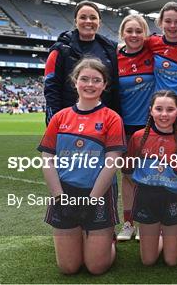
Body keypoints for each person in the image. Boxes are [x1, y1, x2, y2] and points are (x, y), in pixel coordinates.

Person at [38, 57, 126, 275]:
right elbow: (47, 159)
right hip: (65, 193)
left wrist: (93, 199)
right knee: (68, 267)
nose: (90, 84)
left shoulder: (112, 118)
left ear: (104, 85)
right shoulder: (59, 118)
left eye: (96, 80)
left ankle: (108, 242)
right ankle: (85, 238)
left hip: (98, 193)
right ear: (75, 81)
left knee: (96, 267)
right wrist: (59, 197)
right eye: (84, 79)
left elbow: (112, 161)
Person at [126, 90, 177, 266]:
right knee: (148, 261)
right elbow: (128, 171)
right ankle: (159, 235)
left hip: (174, 199)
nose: (164, 114)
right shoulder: (138, 137)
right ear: (151, 110)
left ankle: (176, 240)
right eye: (159, 109)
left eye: (170, 109)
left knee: (171, 261)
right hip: (147, 200)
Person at [44, 1, 120, 125]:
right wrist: (55, 122)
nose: (88, 21)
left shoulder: (110, 49)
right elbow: (51, 89)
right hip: (70, 121)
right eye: (83, 17)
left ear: (99, 23)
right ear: (76, 21)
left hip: (103, 121)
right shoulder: (60, 50)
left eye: (93, 17)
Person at [116, 14, 155, 241]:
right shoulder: (115, 58)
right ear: (123, 34)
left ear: (145, 34)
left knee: (149, 176)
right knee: (128, 176)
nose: (134, 35)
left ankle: (146, 221)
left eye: (138, 31)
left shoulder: (153, 52)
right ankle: (128, 223)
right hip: (125, 128)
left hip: (151, 126)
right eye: (129, 31)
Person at [146, 2, 177, 126]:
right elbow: (132, 44)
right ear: (160, 22)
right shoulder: (152, 42)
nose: (172, 26)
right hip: (160, 110)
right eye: (168, 21)